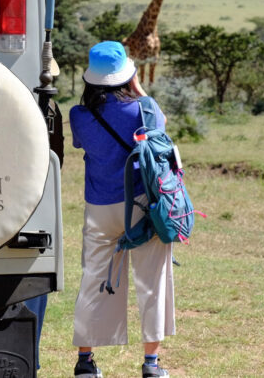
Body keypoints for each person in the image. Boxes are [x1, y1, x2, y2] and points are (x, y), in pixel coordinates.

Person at [69, 41, 175, 378]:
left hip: (100, 208)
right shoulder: (145, 107)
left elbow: (85, 144)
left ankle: (86, 362)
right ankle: (151, 365)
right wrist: (137, 86)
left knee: (93, 280)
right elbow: (162, 123)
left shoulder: (79, 115)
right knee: (151, 282)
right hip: (142, 205)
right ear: (126, 76)